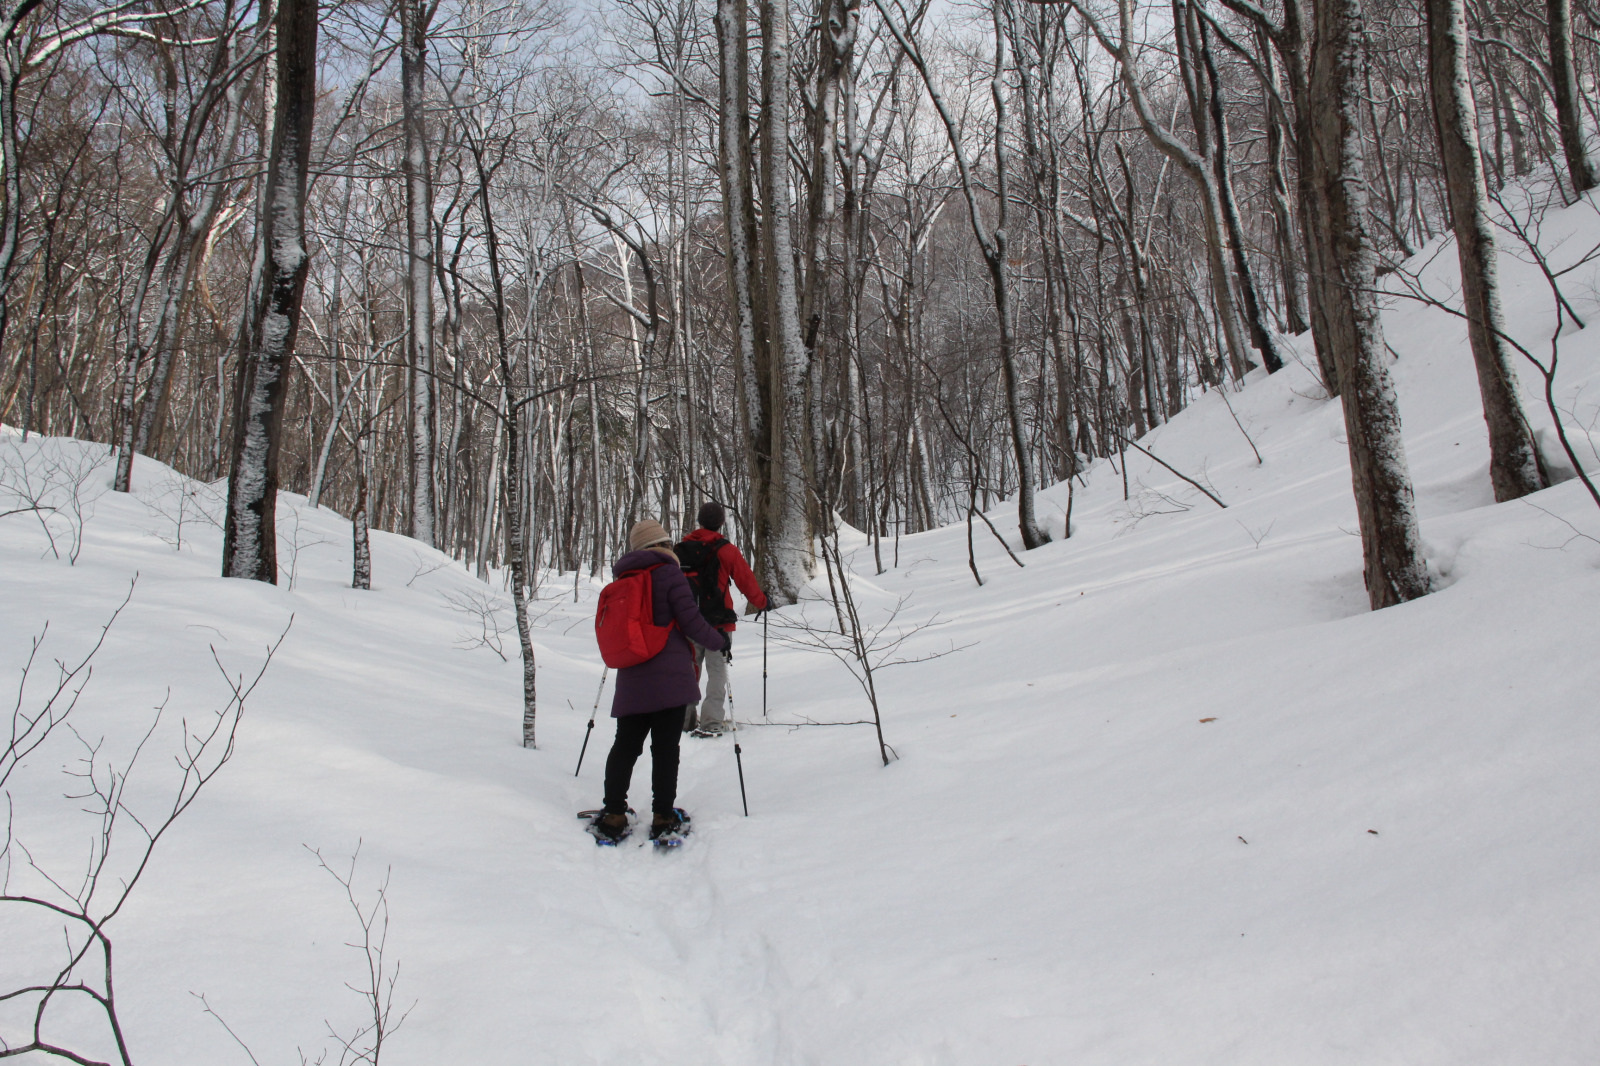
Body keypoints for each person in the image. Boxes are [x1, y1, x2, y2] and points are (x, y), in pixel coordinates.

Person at [594, 518, 730, 843]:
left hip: (632, 678)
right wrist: (719, 641)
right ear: (663, 544)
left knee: (625, 747)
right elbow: (691, 621)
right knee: (666, 749)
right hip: (670, 680)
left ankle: (614, 814)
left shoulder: (623, 578)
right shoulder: (670, 575)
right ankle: (663, 817)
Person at [676, 501, 768, 735]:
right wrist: (762, 602)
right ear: (721, 523)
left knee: (689, 670)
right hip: (718, 623)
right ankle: (712, 722)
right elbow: (746, 581)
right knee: (717, 672)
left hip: (688, 622)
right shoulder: (727, 550)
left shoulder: (680, 550)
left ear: (699, 521)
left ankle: (684, 720)